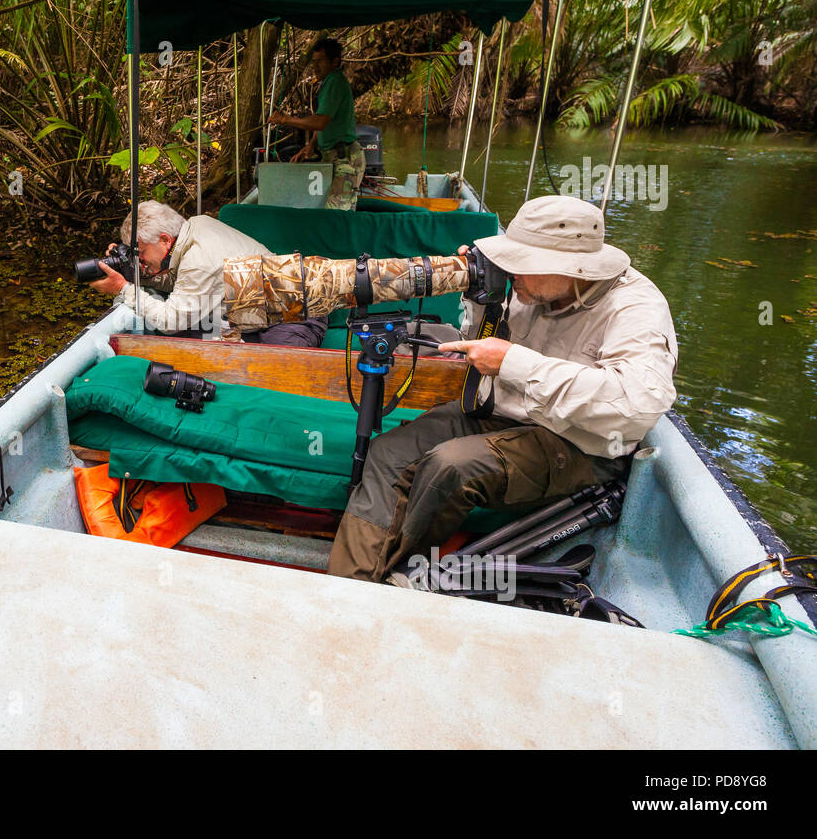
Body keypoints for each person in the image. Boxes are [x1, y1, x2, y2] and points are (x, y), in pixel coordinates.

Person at [328, 195, 679, 581]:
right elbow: (479, 343)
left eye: (522, 264)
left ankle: (403, 571)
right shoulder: (531, 286)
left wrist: (513, 362)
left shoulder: (634, 307)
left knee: (451, 466)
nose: (512, 272)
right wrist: (483, 298)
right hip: (500, 415)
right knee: (388, 452)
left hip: (579, 443)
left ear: (572, 268)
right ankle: (350, 583)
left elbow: (638, 406)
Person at [87, 200, 328, 346]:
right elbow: (178, 281)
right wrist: (137, 272)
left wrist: (124, 288)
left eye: (141, 251)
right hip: (255, 313)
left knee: (270, 373)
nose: (140, 258)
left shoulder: (200, 259)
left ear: (164, 240)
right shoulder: (198, 224)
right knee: (199, 337)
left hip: (296, 315)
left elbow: (171, 321)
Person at [268, 38, 364, 211]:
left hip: (345, 159)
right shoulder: (329, 82)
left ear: (335, 62)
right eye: (314, 62)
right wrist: (311, 145)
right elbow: (325, 120)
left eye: (320, 61)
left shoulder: (335, 81)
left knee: (336, 216)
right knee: (333, 212)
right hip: (334, 157)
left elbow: (320, 122)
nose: (315, 66)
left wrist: (285, 119)